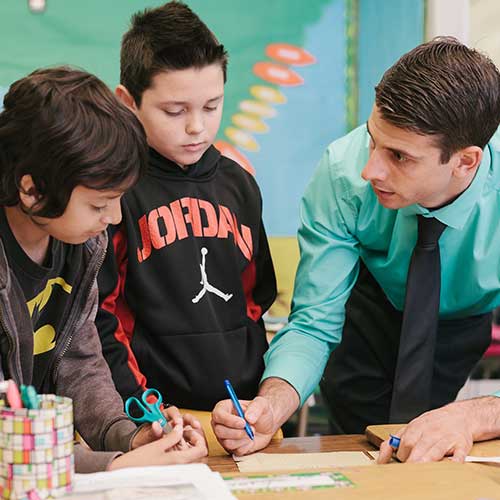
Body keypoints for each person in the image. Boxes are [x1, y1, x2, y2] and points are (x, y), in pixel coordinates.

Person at [212, 37, 500, 456]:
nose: (370, 170)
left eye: (400, 156)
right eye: (372, 140)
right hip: (370, 305)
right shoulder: (342, 174)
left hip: (462, 315)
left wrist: (475, 415)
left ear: (465, 162)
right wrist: (272, 405)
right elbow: (314, 322)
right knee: (360, 444)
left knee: (439, 445)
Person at [0, 66, 207, 473]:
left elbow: (80, 361)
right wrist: (111, 466)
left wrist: (130, 436)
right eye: (99, 204)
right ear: (31, 190)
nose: (113, 217)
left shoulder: (79, 244)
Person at [95, 1, 276, 412]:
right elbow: (101, 316)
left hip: (238, 410)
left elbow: (255, 300)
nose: (197, 126)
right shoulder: (114, 192)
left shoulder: (240, 185)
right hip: (153, 413)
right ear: (128, 102)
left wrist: (256, 398)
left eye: (212, 106)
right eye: (175, 111)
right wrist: (143, 408)